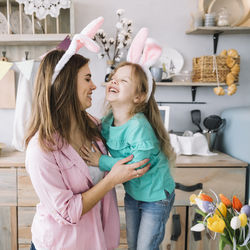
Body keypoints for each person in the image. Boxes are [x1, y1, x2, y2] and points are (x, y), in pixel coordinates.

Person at [25, 18, 150, 250]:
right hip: (61, 244)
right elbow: (67, 211)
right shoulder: (40, 149)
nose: (94, 86)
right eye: (87, 79)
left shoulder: (95, 127)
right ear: (65, 84)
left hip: (97, 241)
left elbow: (128, 137)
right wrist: (113, 178)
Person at [81, 28, 176, 250]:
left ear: (139, 96)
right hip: (134, 194)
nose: (113, 82)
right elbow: (91, 126)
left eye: (123, 81)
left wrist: (101, 161)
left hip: (156, 196)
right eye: (113, 78)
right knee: (134, 245)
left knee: (144, 247)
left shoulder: (139, 127)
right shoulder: (107, 123)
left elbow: (137, 167)